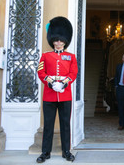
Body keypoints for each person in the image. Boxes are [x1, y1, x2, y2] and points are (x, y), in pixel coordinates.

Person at [36, 16, 78, 163]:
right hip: (49, 95)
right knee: (48, 125)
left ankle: (66, 151)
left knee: (65, 125)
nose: (59, 43)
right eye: (56, 40)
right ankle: (45, 152)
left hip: (65, 96)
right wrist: (51, 83)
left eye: (61, 40)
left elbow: (73, 73)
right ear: (52, 40)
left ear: (65, 41)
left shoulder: (71, 57)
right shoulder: (45, 56)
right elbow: (41, 72)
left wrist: (64, 84)